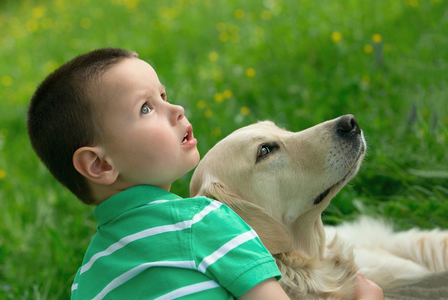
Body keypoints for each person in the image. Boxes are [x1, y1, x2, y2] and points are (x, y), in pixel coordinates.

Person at [27, 48, 382, 300]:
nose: (177, 109)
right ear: (100, 165)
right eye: (147, 107)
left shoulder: (86, 278)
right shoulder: (207, 223)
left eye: (164, 95)